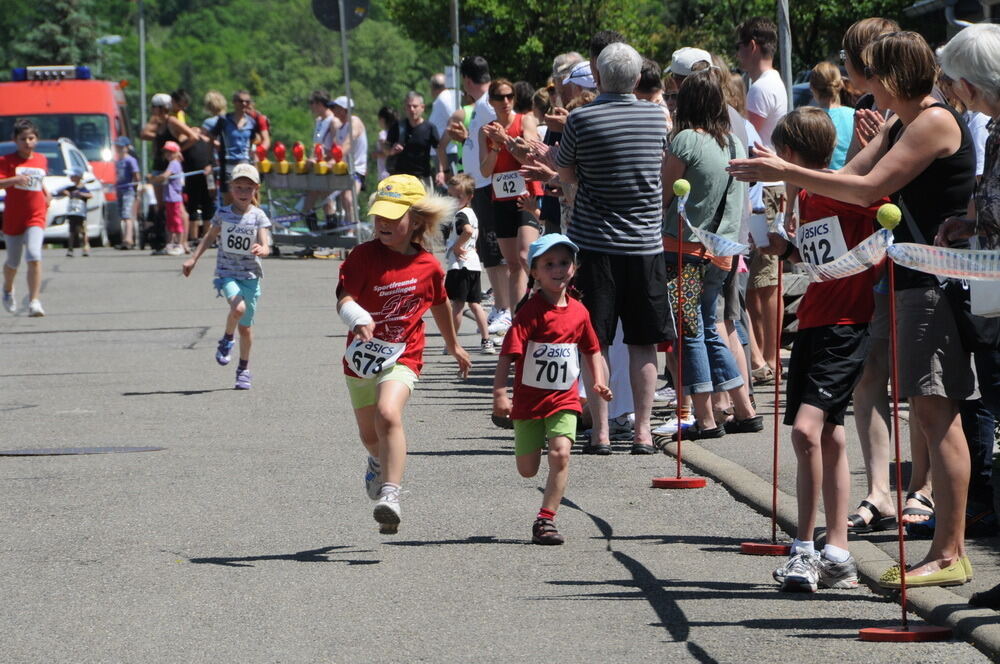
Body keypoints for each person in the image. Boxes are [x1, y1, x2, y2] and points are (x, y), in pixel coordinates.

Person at [729, 31, 977, 588]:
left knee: (939, 413)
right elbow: (846, 183)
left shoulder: (933, 121)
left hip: (934, 283)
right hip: (911, 282)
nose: (859, 84)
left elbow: (867, 192)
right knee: (930, 411)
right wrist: (789, 178)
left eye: (867, 74)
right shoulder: (899, 122)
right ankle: (944, 549)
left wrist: (786, 173)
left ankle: (949, 551)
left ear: (890, 78)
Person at [761, 107, 882, 592]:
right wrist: (788, 251)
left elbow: (881, 209)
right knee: (828, 436)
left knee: (806, 432)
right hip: (814, 321)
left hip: (846, 327)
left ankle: (804, 549)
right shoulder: (810, 195)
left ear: (788, 155)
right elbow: (823, 255)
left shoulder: (839, 191)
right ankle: (838, 553)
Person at [555, 41, 674, 455]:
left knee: (595, 341)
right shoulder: (659, 118)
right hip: (644, 244)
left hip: (595, 244)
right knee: (643, 342)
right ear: (639, 78)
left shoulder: (581, 118)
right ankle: (642, 431)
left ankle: (601, 431)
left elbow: (566, 171)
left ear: (599, 76)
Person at [336, 175, 471, 533]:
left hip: (404, 355)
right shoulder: (363, 257)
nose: (383, 222)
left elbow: (439, 303)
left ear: (416, 220)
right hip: (361, 359)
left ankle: (391, 495)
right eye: (379, 214)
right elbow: (344, 299)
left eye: (393, 216)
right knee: (370, 435)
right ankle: (378, 463)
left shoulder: (427, 267)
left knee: (388, 413)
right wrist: (357, 316)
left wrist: (454, 344)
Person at [936, 21, 1000, 607]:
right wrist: (971, 224)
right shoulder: (997, 130)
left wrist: (982, 226)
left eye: (958, 82)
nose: (955, 93)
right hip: (993, 292)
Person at [492, 233, 612, 544]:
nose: (558, 269)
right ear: (534, 272)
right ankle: (532, 449)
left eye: (564, 262)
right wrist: (500, 394)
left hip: (564, 399)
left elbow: (591, 349)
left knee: (560, 455)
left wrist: (597, 381)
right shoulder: (530, 312)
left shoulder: (579, 311)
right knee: (528, 470)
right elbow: (508, 354)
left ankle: (546, 520)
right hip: (529, 401)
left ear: (574, 267)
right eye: (549, 264)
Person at [660, 70, 760, 441]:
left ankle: (704, 418)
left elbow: (665, 195)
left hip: (684, 249)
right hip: (723, 252)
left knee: (689, 332)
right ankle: (745, 408)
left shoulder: (685, 140)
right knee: (710, 326)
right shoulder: (735, 143)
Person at [182, 163, 271, 390]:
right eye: (238, 187)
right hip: (227, 274)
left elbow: (266, 241)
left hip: (250, 276)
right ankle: (228, 339)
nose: (243, 192)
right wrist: (194, 259)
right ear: (231, 188)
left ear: (255, 190)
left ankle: (243, 369)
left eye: (247, 188)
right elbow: (209, 237)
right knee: (238, 308)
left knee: (246, 328)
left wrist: (263, 249)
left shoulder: (258, 215)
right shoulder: (223, 214)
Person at [735, 17, 788, 387]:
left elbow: (746, 137)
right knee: (768, 278)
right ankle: (769, 355)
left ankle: (767, 356)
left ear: (752, 45)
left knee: (763, 280)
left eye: (739, 47)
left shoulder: (758, 89)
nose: (738, 54)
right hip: (776, 185)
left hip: (765, 188)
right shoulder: (776, 82)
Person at [480, 78, 543, 314]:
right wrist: (496, 146)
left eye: (509, 96)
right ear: (491, 101)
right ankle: (518, 318)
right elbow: (485, 171)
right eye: (499, 98)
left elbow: (530, 158)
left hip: (526, 197)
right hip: (501, 200)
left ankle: (542, 302)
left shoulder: (525, 120)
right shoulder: (486, 131)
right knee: (513, 264)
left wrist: (505, 139)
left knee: (527, 255)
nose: (505, 102)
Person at [456, 55, 509, 335]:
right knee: (489, 248)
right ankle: (502, 305)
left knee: (493, 248)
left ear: (466, 80)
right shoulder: (483, 103)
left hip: (490, 183)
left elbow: (499, 134)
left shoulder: (489, 102)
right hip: (482, 182)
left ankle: (504, 306)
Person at [1, 119, 50, 317]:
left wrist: (47, 193)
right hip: (14, 216)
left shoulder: (41, 159)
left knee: (34, 255)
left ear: (36, 139)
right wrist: (15, 179)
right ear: (15, 140)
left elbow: (39, 182)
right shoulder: (6, 161)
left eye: (31, 138)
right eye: (23, 139)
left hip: (36, 213)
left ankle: (34, 301)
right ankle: (7, 289)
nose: (27, 142)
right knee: (13, 262)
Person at [443, 173, 493, 354]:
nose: (454, 200)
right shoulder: (472, 213)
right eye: (451, 196)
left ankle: (452, 343)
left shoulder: (460, 215)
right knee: (475, 304)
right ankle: (486, 340)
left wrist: (456, 246)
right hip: (473, 265)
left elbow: (468, 231)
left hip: (460, 266)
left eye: (459, 196)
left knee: (457, 304)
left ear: (470, 196)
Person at [385, 91, 447, 192]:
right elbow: (385, 146)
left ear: (422, 107)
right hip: (399, 178)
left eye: (415, 106)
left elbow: (439, 149)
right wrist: (391, 150)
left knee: (425, 207)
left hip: (422, 179)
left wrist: (441, 171)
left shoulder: (429, 128)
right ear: (405, 108)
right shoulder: (397, 127)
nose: (411, 109)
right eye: (409, 106)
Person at [203, 90, 259, 202]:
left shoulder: (251, 122)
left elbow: (253, 141)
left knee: (249, 201)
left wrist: (254, 162)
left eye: (247, 102)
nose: (244, 104)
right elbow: (211, 139)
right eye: (240, 101)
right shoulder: (224, 120)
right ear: (234, 102)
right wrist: (209, 163)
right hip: (227, 164)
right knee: (229, 201)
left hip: (245, 164)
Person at [810, 62, 855, 170]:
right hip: (851, 180)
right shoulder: (855, 114)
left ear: (812, 87)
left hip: (819, 183)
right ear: (840, 85)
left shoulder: (808, 120)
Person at [329, 96, 367, 224]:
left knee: (349, 198)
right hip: (342, 169)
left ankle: (353, 231)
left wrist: (332, 161)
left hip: (356, 169)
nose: (333, 110)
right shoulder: (340, 126)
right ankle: (336, 226)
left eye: (336, 108)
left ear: (344, 109)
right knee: (327, 194)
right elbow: (334, 149)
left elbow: (346, 145)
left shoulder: (354, 121)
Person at [148, 141, 186, 255]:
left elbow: (165, 176)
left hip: (174, 198)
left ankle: (179, 244)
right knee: (169, 222)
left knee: (176, 221)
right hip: (169, 197)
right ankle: (169, 244)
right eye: (166, 152)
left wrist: (153, 178)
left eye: (170, 152)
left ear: (175, 153)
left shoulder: (174, 163)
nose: (168, 154)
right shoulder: (171, 163)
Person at [428, 73, 458, 177]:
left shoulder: (443, 99)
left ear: (433, 87)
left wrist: (442, 145)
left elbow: (454, 119)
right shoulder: (443, 98)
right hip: (444, 151)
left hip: (447, 152)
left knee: (449, 187)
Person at [58, 169, 92, 257]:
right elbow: (60, 191)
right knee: (71, 232)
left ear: (78, 177)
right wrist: (67, 193)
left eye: (72, 176)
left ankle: (85, 248)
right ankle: (70, 249)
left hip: (81, 214)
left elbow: (90, 195)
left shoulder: (83, 188)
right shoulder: (71, 188)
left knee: (83, 231)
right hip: (72, 213)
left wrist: (81, 194)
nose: (71, 177)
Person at [114, 136, 139, 249]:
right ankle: (124, 238)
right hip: (120, 190)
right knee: (123, 216)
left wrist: (136, 187)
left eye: (121, 147)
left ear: (127, 148)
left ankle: (129, 239)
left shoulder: (130, 160)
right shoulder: (118, 161)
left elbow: (136, 175)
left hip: (128, 190)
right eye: (117, 146)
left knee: (127, 215)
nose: (119, 149)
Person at [374, 106, 399, 181]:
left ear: (382, 120)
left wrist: (376, 154)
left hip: (384, 172)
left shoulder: (383, 134)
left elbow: (386, 152)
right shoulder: (397, 133)